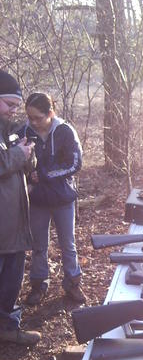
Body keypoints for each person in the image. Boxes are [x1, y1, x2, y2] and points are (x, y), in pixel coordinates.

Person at [18, 92, 85, 305]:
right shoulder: (24, 132)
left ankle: (73, 284)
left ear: (50, 113)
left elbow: (75, 164)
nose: (34, 122)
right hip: (37, 199)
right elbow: (14, 159)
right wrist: (29, 178)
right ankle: (39, 285)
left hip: (63, 198)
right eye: (30, 118)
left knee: (68, 244)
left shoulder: (65, 131)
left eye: (39, 118)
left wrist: (44, 174)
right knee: (39, 245)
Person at [0, 70, 41, 345]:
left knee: (11, 282)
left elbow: (25, 168)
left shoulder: (9, 131)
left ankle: (7, 327)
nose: (13, 111)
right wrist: (17, 155)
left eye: (16, 106)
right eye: (9, 104)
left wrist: (29, 155)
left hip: (14, 226)